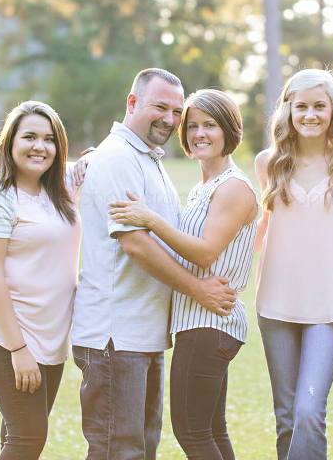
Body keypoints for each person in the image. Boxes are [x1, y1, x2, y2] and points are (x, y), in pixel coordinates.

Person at [71, 69, 238, 460]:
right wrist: (199, 289)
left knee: (142, 449)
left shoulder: (147, 159)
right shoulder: (117, 158)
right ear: (132, 103)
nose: (170, 119)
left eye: (177, 111)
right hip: (115, 336)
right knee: (119, 450)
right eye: (160, 107)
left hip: (144, 335)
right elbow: (136, 245)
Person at [109, 88, 258, 460]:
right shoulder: (202, 188)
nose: (199, 134)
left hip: (209, 324)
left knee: (191, 431)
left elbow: (206, 253)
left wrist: (149, 220)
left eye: (210, 125)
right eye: (192, 126)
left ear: (229, 131)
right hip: (200, 322)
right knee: (210, 430)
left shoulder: (234, 188)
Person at [254, 68, 333, 460]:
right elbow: (267, 225)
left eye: (319, 106)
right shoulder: (268, 164)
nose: (310, 114)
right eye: (301, 106)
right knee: (287, 417)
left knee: (308, 411)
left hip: (329, 305)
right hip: (275, 303)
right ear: (287, 110)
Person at [0, 100, 82, 459]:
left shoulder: (59, 190)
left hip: (51, 334)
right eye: (29, 136)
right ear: (9, 143)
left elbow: (99, 162)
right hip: (7, 333)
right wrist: (18, 350)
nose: (39, 146)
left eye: (49, 139)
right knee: (28, 437)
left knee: (18, 433)